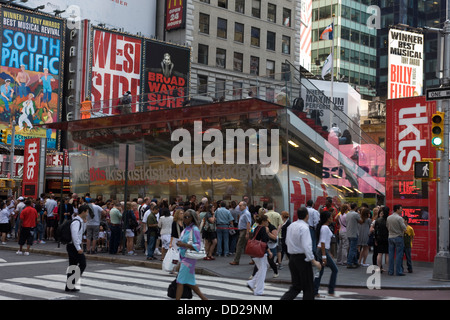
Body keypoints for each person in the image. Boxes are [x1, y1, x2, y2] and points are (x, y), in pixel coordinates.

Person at [280, 207, 322, 300]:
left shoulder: (291, 226)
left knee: (296, 286)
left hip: (292, 258)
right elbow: (307, 246)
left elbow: (287, 241)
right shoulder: (304, 227)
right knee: (308, 288)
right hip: (302, 259)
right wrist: (313, 261)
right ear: (307, 216)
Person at [175, 209, 208, 300]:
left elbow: (198, 245)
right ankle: (204, 298)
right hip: (184, 257)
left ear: (192, 218)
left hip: (189, 258)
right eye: (183, 217)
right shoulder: (187, 229)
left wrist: (184, 244)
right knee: (190, 281)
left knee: (180, 281)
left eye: (186, 217)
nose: (184, 219)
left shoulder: (195, 229)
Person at [314, 210, 338, 298]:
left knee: (320, 271)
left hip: (322, 250)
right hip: (322, 251)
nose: (332, 218)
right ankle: (331, 290)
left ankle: (315, 290)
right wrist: (324, 256)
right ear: (328, 219)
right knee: (335, 270)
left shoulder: (324, 227)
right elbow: (323, 242)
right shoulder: (325, 228)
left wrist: (328, 253)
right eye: (331, 217)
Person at [247, 214, 272, 296]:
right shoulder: (264, 229)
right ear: (264, 222)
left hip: (254, 252)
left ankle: (252, 283)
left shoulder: (256, 227)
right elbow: (265, 241)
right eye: (267, 221)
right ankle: (258, 291)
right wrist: (269, 251)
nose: (268, 223)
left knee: (262, 268)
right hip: (260, 252)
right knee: (263, 271)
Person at [65, 204, 89, 292]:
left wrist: (85, 223)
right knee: (82, 264)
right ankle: (72, 283)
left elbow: (81, 232)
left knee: (73, 266)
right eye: (87, 212)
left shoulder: (80, 221)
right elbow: (75, 236)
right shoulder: (76, 222)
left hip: (73, 246)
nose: (87, 214)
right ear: (83, 212)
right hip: (74, 246)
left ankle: (69, 286)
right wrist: (78, 248)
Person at [230, 201, 252, 265]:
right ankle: (254, 258)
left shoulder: (246, 213)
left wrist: (247, 232)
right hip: (243, 230)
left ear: (244, 206)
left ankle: (236, 260)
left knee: (239, 245)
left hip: (244, 230)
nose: (239, 207)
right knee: (246, 246)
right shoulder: (242, 213)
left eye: (240, 205)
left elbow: (248, 223)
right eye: (239, 205)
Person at [387, 204, 406, 276]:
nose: (401, 210)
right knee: (399, 255)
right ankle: (398, 271)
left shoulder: (389, 218)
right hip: (398, 237)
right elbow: (404, 228)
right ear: (397, 209)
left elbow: (387, 226)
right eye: (401, 209)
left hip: (390, 237)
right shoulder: (399, 218)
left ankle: (390, 271)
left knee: (391, 255)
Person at [346, 203, 362, 268]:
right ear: (355, 207)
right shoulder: (355, 214)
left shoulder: (348, 214)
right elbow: (361, 221)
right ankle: (349, 262)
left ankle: (355, 261)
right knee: (353, 249)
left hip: (349, 232)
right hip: (354, 233)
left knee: (353, 248)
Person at [375, 206, 389, 272]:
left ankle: (379, 267)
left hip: (379, 238)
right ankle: (388, 268)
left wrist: (375, 239)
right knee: (387, 253)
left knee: (379, 253)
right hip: (387, 237)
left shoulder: (378, 220)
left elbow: (376, 230)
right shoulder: (388, 220)